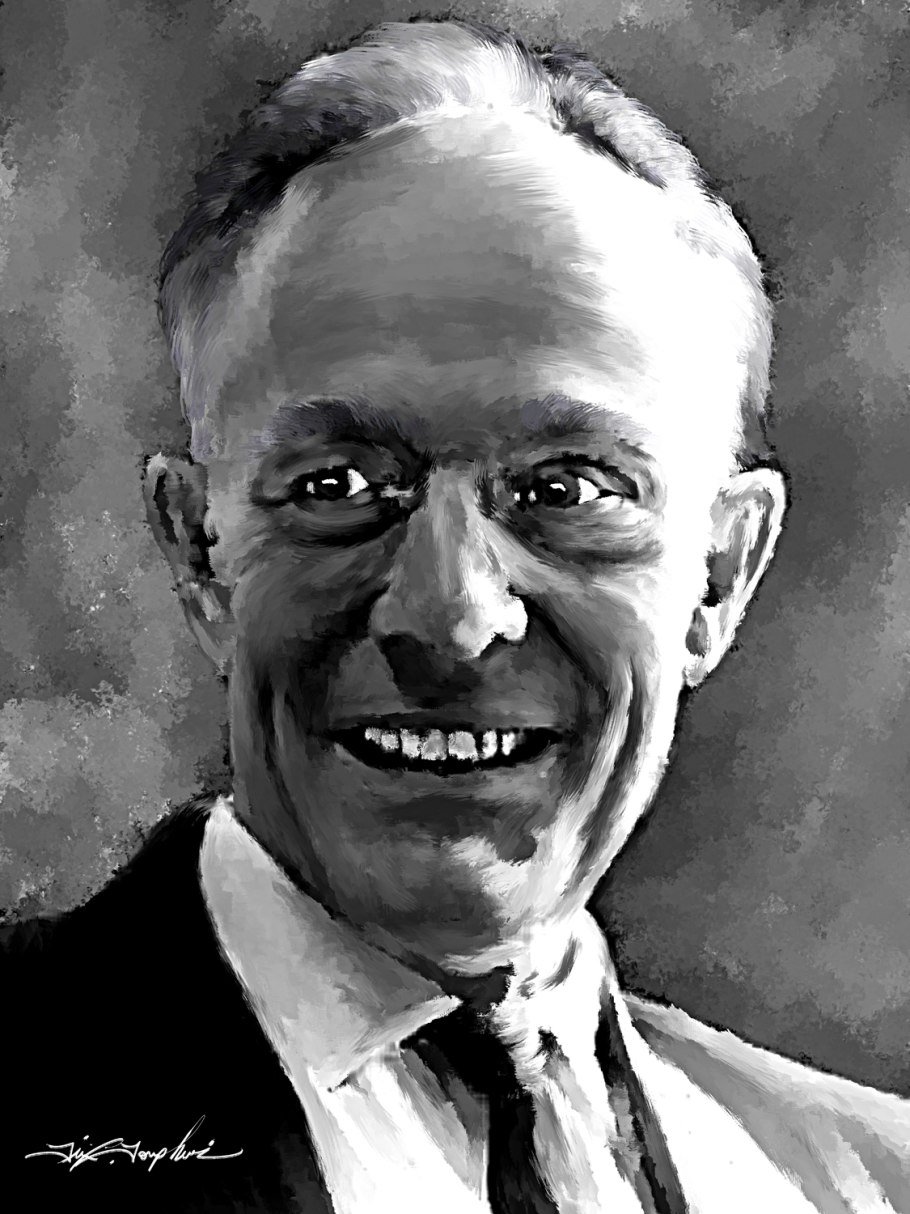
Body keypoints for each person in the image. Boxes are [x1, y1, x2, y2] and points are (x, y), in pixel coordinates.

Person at [3, 16, 908, 1213]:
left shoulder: (865, 1180)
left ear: (720, 575)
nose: (451, 616)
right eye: (338, 487)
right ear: (200, 554)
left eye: (566, 491)